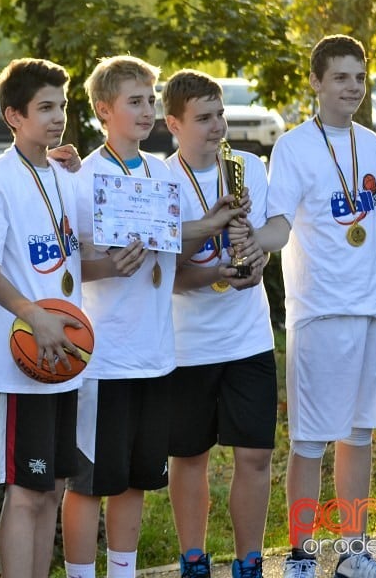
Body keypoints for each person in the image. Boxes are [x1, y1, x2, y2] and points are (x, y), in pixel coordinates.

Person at [62, 57, 245, 578]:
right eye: (135, 101)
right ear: (103, 110)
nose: (146, 110)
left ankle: (123, 572)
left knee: (137, 480)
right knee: (90, 484)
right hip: (104, 357)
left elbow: (171, 236)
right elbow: (66, 261)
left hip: (156, 355)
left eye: (150, 99)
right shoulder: (82, 176)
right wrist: (104, 265)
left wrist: (214, 222)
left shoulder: (159, 172)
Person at [254, 34, 376, 578]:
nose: (353, 88)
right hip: (319, 313)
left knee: (359, 435)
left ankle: (354, 553)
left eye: (359, 78)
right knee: (311, 440)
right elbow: (279, 225)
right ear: (315, 82)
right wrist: (252, 243)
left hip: (370, 311)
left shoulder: (372, 144)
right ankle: (300, 557)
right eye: (341, 77)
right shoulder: (293, 147)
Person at [0, 57, 83, 578]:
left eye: (63, 106)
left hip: (68, 357)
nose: (58, 117)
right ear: (13, 115)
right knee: (26, 492)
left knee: (53, 489)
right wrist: (34, 316)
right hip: (24, 362)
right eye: (45, 108)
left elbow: (72, 257)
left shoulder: (61, 174)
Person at [162, 69, 276, 578]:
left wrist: (254, 262)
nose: (217, 126)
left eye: (221, 114)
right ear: (173, 124)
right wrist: (214, 272)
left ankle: (249, 561)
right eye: (204, 118)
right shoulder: (161, 179)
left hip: (249, 338)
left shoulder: (247, 166)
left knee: (255, 455)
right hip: (187, 345)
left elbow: (260, 245)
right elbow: (162, 273)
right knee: (190, 457)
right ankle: (194, 559)